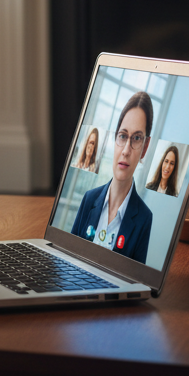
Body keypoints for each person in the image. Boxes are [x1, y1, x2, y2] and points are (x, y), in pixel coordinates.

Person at [71, 92, 154, 264]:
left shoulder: (144, 218)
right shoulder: (89, 198)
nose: (125, 150)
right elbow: (67, 257)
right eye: (123, 136)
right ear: (115, 139)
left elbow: (135, 284)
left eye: (137, 138)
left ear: (145, 148)